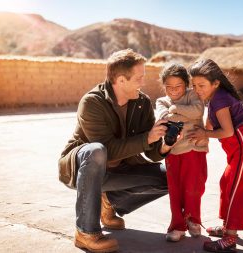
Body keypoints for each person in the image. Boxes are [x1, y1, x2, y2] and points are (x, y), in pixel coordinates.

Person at [58, 49, 173, 253]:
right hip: (84, 169)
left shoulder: (142, 103)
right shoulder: (92, 102)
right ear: (121, 80)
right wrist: (147, 138)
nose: (143, 82)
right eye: (139, 78)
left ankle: (108, 202)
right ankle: (85, 232)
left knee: (171, 179)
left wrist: (164, 143)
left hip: (120, 171)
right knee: (96, 151)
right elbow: (107, 150)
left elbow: (152, 152)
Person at [187, 59, 243, 253]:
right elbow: (210, 124)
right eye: (194, 85)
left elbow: (228, 131)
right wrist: (202, 133)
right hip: (238, 148)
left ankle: (230, 237)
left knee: (238, 189)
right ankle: (226, 226)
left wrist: (204, 134)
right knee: (227, 182)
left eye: (202, 85)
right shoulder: (214, 98)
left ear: (216, 83)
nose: (197, 89)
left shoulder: (219, 98)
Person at [155, 63, 208, 242]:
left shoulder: (193, 95)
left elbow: (198, 111)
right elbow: (163, 118)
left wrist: (175, 109)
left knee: (194, 187)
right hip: (173, 151)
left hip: (194, 148)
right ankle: (178, 225)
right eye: (169, 87)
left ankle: (193, 220)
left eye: (178, 86)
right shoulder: (161, 101)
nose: (174, 91)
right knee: (175, 190)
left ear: (186, 84)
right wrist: (186, 116)